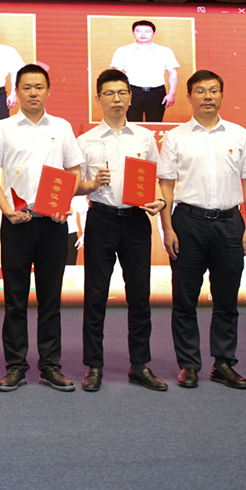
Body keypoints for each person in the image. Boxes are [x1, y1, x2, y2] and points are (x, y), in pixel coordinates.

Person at [158, 70, 246, 390]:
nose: (207, 96)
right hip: (187, 223)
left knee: (226, 299)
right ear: (189, 96)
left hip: (230, 224)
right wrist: (167, 228)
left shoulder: (239, 134)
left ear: (221, 95)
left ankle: (223, 363)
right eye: (201, 91)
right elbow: (166, 185)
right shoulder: (175, 137)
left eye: (213, 90)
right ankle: (189, 365)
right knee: (185, 299)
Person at [0, 64, 84, 392]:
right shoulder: (2, 129)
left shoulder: (62, 127)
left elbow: (74, 171)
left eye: (38, 87)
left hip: (53, 224)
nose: (32, 93)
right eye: (26, 87)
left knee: (50, 300)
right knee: (15, 299)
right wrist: (7, 210)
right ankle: (15, 366)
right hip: (17, 223)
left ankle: (50, 366)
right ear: (16, 92)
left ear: (48, 91)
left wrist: (64, 201)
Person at [75, 69, 167, 392]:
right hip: (101, 219)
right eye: (109, 93)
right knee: (95, 295)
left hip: (136, 221)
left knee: (139, 295)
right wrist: (90, 184)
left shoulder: (144, 137)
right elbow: (73, 185)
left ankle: (139, 365)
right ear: (98, 98)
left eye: (122, 93)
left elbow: (155, 179)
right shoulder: (85, 140)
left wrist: (158, 200)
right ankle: (94, 366)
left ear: (130, 98)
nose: (116, 98)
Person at [110, 20, 179, 122]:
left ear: (154, 33)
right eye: (139, 31)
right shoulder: (123, 51)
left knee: (155, 123)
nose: (143, 34)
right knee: (132, 124)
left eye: (147, 31)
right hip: (132, 91)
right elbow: (117, 74)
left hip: (157, 92)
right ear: (133, 33)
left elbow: (172, 73)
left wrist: (171, 94)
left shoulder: (165, 51)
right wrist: (119, 93)